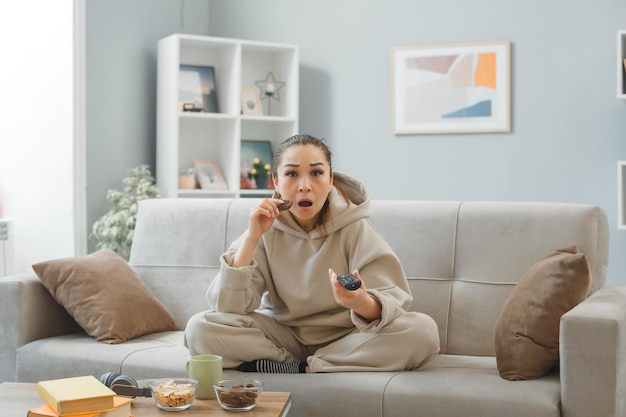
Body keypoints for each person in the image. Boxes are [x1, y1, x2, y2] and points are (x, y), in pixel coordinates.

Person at [184, 134, 440, 373]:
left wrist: (359, 301)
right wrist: (252, 238)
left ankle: (310, 367)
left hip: (349, 339)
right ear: (276, 181)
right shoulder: (265, 227)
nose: (305, 186)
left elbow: (392, 304)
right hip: (284, 337)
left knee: (423, 332)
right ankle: (293, 366)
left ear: (330, 181)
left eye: (316, 173)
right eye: (292, 174)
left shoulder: (355, 228)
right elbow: (229, 307)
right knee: (199, 328)